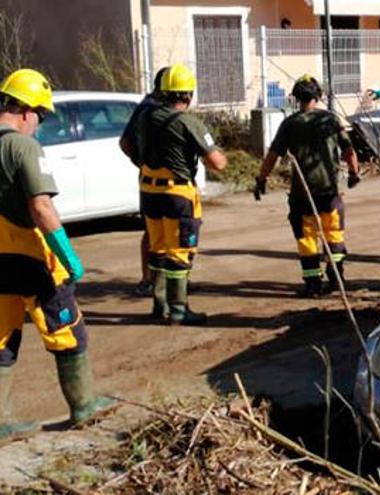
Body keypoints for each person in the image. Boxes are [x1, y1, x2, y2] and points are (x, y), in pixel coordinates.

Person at [0, 68, 115, 440]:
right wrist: (67, 255)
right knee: (66, 328)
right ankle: (83, 406)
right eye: (41, 116)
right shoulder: (22, 146)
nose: (39, 124)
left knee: (1, 336)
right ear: (26, 111)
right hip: (30, 255)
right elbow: (42, 208)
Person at [129, 63, 227, 325]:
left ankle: (159, 306)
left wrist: (143, 162)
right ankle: (180, 310)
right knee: (179, 252)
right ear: (188, 94)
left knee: (157, 248)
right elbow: (217, 162)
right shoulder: (187, 122)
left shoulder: (144, 116)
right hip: (176, 193)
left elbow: (125, 143)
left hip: (148, 191)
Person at [254, 75, 360, 298]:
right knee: (334, 235)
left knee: (307, 238)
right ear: (318, 96)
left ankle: (312, 284)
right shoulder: (329, 120)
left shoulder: (290, 124)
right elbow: (348, 149)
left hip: (302, 194)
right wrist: (353, 173)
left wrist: (261, 179)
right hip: (329, 192)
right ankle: (336, 275)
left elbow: (273, 155)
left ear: (296, 98)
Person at [120, 66, 169, 298]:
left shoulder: (154, 107)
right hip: (156, 180)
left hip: (160, 178)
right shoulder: (148, 110)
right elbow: (125, 142)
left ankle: (168, 280)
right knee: (152, 229)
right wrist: (143, 163)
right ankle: (148, 280)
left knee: (165, 230)